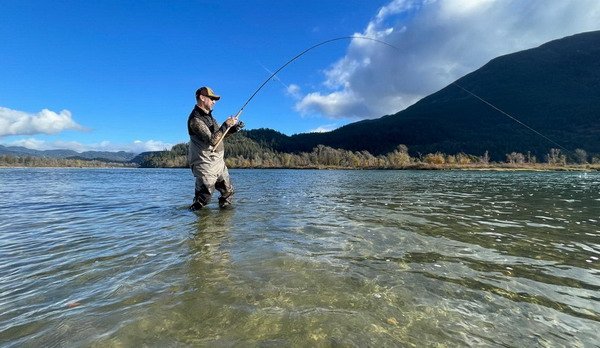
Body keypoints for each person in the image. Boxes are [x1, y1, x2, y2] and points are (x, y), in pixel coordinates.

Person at [187, 86, 244, 211]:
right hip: (205, 163)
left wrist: (233, 128)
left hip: (218, 162)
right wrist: (226, 124)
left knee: (228, 191)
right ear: (202, 98)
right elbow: (212, 141)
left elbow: (220, 137)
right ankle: (193, 218)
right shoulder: (195, 120)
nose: (214, 102)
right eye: (212, 98)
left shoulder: (211, 118)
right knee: (204, 198)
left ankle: (224, 221)